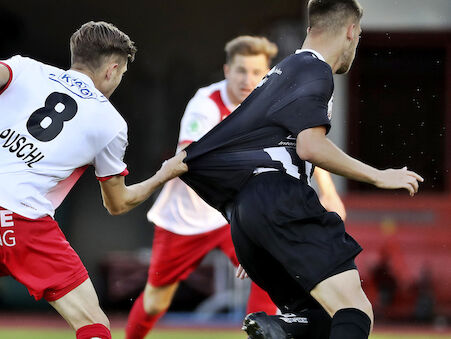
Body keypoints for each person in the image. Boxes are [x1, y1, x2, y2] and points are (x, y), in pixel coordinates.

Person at [0, 21, 187, 339]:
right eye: (122, 73)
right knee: (92, 323)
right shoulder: (111, 123)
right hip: (19, 215)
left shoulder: (26, 69)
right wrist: (165, 174)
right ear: (113, 69)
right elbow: (118, 202)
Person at [178, 1, 423, 338]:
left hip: (247, 213)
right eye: (360, 35)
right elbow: (310, 147)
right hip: (280, 201)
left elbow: (258, 144)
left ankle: (281, 325)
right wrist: (377, 175)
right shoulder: (316, 69)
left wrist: (255, 229)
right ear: (351, 32)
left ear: (310, 28)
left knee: (319, 316)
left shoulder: (282, 71)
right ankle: (282, 324)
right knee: (355, 309)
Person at [125, 35, 347, 339]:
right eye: (241, 71)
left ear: (268, 73)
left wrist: (329, 192)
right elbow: (189, 163)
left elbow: (306, 144)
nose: (248, 79)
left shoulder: (277, 100)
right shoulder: (205, 103)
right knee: (155, 301)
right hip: (187, 215)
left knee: (269, 277)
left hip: (239, 210)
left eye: (257, 72)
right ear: (227, 70)